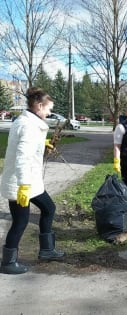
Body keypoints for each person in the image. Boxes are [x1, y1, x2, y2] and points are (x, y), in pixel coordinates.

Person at [0, 87, 65, 275]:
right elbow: (22, 157)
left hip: (30, 182)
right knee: (21, 221)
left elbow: (25, 146)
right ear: (38, 106)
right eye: (48, 108)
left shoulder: (30, 122)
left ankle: (46, 250)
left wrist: (42, 144)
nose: (49, 112)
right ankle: (8, 262)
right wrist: (23, 185)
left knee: (49, 208)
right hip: (21, 182)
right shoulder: (28, 126)